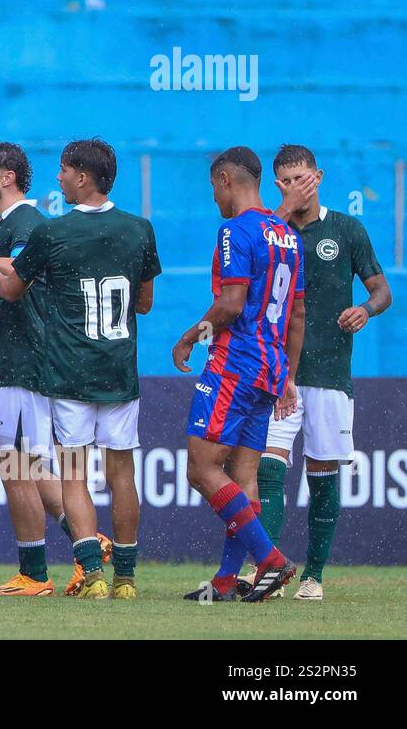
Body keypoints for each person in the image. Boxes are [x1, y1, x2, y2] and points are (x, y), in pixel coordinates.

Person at [0, 139, 159, 600]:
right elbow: (145, 303)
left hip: (69, 374)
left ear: (82, 176)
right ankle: (128, 579)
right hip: (119, 372)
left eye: (64, 170)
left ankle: (89, 573)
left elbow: (13, 290)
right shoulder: (139, 229)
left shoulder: (53, 232)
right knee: (121, 474)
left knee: (71, 472)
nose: (58, 178)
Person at [256, 144, 390, 601]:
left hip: (330, 371)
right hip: (279, 373)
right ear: (278, 185)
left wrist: (365, 309)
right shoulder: (271, 231)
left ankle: (313, 575)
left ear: (319, 176)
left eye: (303, 178)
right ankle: (268, 570)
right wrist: (281, 212)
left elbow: (381, 290)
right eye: (288, 180)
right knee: (269, 467)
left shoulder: (346, 229)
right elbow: (252, 271)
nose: (298, 186)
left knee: (322, 470)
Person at [173, 146, 304, 604]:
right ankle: (228, 582)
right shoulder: (287, 235)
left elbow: (230, 304)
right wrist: (287, 373)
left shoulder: (234, 230)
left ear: (226, 179)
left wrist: (191, 335)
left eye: (213, 186)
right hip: (269, 369)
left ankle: (269, 559)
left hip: (234, 363)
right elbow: (297, 313)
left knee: (201, 468)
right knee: (242, 477)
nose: (213, 197)